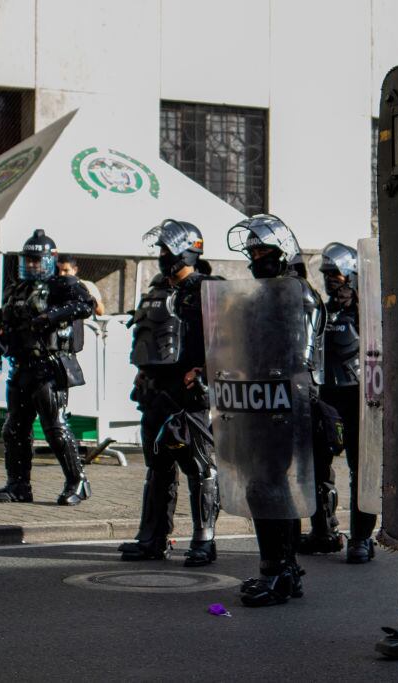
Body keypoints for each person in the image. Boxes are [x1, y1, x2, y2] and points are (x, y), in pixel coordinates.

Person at [222, 214, 330, 607]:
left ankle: (279, 572)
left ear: (283, 251)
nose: (256, 258)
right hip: (260, 402)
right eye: (252, 252)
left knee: (267, 485)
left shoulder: (298, 294)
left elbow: (299, 357)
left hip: (287, 404)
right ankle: (283, 570)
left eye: (263, 250)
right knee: (269, 486)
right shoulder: (259, 296)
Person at [117, 219, 221, 566]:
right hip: (156, 391)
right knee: (158, 467)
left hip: (191, 392)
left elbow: (229, 339)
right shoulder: (157, 287)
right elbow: (147, 336)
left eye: (168, 249)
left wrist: (205, 370)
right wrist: (141, 373)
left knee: (200, 467)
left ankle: (204, 540)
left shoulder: (208, 289)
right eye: (160, 250)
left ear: (189, 250)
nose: (163, 256)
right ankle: (152, 539)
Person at [0, 229, 94, 506]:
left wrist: (51, 316)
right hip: (21, 366)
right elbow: (4, 325)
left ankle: (77, 481)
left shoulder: (62, 285)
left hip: (49, 366)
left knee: (55, 428)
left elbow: (85, 305)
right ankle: (18, 484)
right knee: (14, 428)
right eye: (28, 260)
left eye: (37, 260)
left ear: (50, 260)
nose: (32, 265)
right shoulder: (16, 289)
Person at [309, 241, 377, 563]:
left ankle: (361, 539)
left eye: (334, 273)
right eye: (326, 274)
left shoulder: (366, 310)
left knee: (359, 470)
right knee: (318, 465)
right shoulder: (320, 309)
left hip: (357, 396)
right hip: (325, 396)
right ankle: (323, 531)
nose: (329, 279)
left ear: (350, 274)